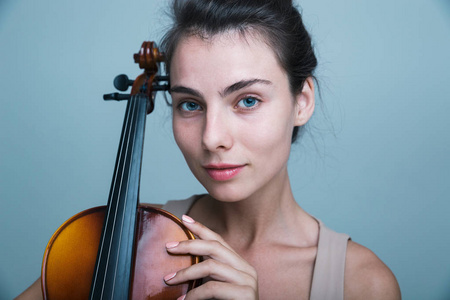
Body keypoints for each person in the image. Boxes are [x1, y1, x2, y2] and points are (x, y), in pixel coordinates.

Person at [17, 0, 401, 299]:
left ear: (301, 101)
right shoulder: (127, 246)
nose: (211, 138)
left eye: (247, 101)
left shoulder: (362, 284)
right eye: (191, 104)